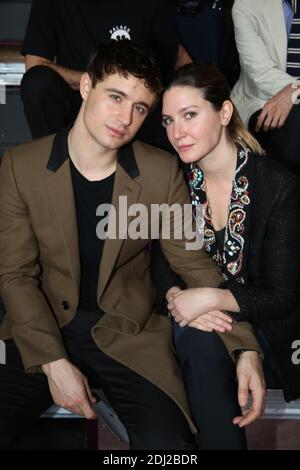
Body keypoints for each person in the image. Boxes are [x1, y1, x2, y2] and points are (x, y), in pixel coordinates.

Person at [0, 40, 264, 450]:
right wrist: (53, 363)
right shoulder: (21, 166)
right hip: (38, 329)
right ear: (87, 86)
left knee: (171, 451)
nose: (125, 118)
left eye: (140, 108)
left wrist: (246, 348)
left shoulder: (159, 173)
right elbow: (15, 274)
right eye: (116, 97)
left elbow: (194, 264)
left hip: (129, 336)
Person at [151, 61, 300, 449]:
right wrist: (175, 297)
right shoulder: (175, 180)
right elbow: (160, 261)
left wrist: (210, 298)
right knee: (193, 337)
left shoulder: (278, 187)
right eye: (168, 121)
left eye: (189, 115)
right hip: (194, 325)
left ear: (224, 112)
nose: (177, 133)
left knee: (197, 339)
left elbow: (282, 295)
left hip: (270, 328)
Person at [20, 0, 191, 150]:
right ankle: (53, 162)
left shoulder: (149, 4)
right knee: (38, 83)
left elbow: (179, 58)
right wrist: (103, 83)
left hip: (135, 111)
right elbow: (36, 66)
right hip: (78, 102)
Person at [231, 0, 300, 175]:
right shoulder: (245, 5)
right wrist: (293, 89)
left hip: (291, 91)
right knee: (292, 139)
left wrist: (295, 89)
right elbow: (260, 72)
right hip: (263, 97)